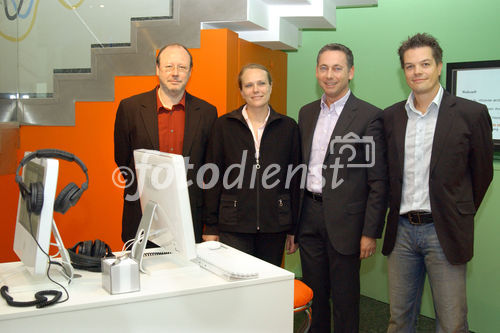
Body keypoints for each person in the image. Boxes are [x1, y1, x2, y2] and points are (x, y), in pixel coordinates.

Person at [382, 33, 494, 332]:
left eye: (425, 64)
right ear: (403, 71)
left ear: (439, 66)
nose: (417, 71)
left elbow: (482, 174)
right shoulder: (390, 117)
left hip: (444, 232)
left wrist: (456, 210)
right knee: (399, 319)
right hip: (402, 233)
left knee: (452, 322)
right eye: (409, 66)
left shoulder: (472, 114)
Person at [296, 43, 388, 332]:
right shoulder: (306, 112)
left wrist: (370, 232)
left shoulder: (370, 116)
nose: (329, 74)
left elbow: (377, 181)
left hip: (347, 223)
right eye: (323, 67)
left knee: (346, 299)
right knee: (315, 294)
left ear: (351, 72)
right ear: (316, 72)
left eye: (337, 68)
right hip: (309, 214)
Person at [114, 43, 217, 244]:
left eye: (182, 67)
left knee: (184, 274)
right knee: (141, 273)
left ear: (190, 72)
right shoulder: (130, 108)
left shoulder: (207, 112)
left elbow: (209, 168)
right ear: (157, 70)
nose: (175, 73)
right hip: (141, 213)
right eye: (169, 67)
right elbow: (123, 158)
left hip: (188, 214)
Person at [202, 63, 301, 266]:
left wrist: (294, 229)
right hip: (233, 224)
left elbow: (296, 179)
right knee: (237, 284)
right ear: (241, 91)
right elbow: (212, 178)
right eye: (249, 85)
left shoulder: (288, 127)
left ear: (271, 87)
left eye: (261, 83)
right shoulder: (223, 126)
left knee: (267, 285)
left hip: (275, 224)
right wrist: (210, 227)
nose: (256, 90)